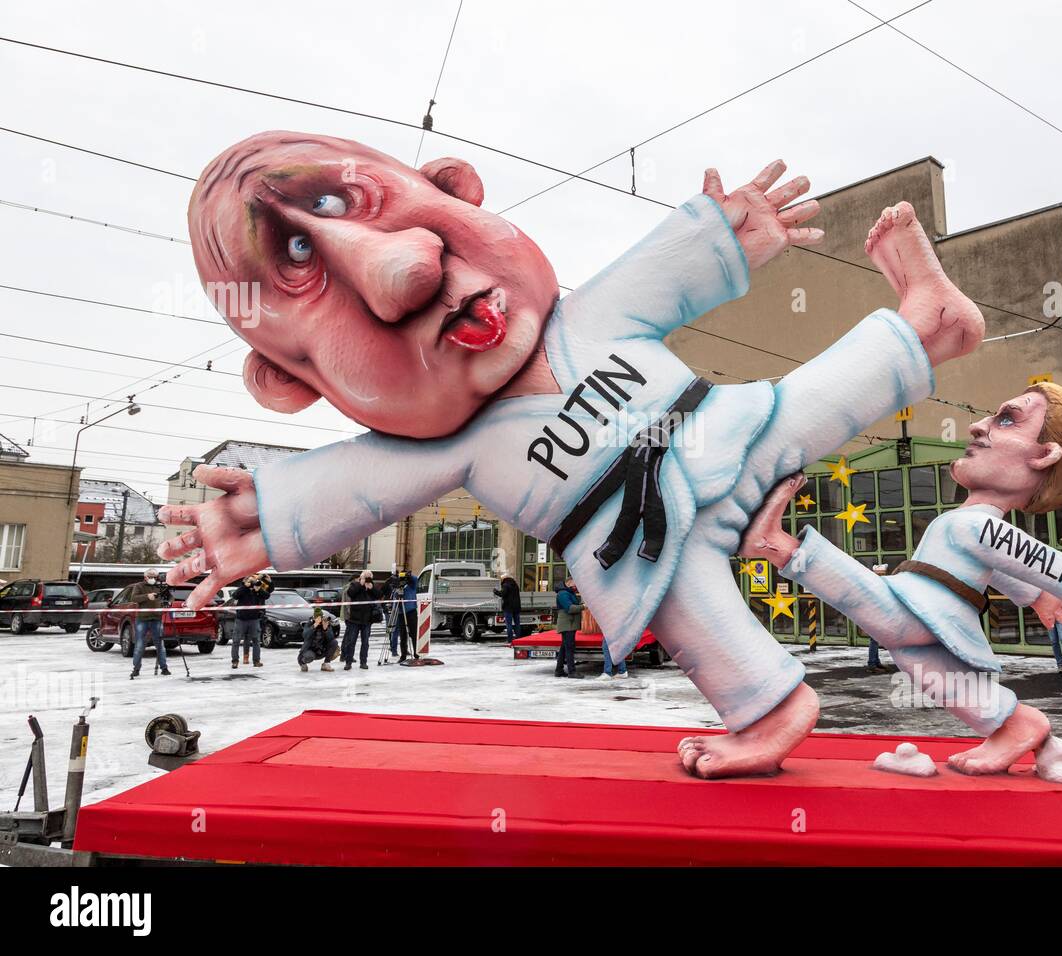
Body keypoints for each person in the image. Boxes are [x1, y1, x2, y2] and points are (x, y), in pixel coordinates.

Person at [163, 134, 987, 781]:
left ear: (455, 190)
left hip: (721, 428)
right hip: (647, 546)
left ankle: (930, 324)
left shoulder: (589, 315)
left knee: (813, 397)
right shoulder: (444, 447)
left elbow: (662, 273)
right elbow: (345, 487)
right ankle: (767, 710)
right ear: (285, 382)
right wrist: (257, 518)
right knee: (692, 615)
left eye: (365, 209)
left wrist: (724, 236)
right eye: (307, 276)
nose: (405, 273)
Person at [737, 381, 1062, 782]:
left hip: (920, 608)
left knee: (881, 612)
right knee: (930, 670)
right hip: (930, 613)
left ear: (1042, 455)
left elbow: (1028, 554)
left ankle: (778, 545)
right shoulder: (971, 523)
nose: (977, 425)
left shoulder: (979, 525)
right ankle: (1017, 725)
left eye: (1007, 419)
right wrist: (1037, 593)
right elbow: (1004, 564)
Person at [119, 568, 170, 679]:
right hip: (142, 618)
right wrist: (147, 596)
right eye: (150, 576)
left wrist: (168, 602)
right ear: (145, 577)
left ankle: (164, 668)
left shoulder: (160, 586)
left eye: (154, 576)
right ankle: (136, 669)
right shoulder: (139, 586)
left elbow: (170, 596)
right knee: (139, 644)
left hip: (157, 618)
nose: (152, 578)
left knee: (160, 644)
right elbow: (134, 598)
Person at [342, 570, 375, 670]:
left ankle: (363, 662)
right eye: (366, 577)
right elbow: (350, 593)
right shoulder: (355, 585)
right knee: (351, 641)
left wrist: (371, 588)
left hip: (367, 620)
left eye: (369, 577)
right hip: (354, 619)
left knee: (365, 642)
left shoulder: (371, 586)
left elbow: (378, 595)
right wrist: (360, 584)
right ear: (361, 577)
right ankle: (348, 662)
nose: (367, 579)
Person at [229, 574, 265, 669]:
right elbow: (235, 596)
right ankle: (235, 661)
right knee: (236, 641)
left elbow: (267, 596)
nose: (252, 582)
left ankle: (256, 661)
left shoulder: (256, 590)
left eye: (253, 581)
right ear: (245, 582)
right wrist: (245, 587)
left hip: (254, 619)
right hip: (241, 619)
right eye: (250, 581)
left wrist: (259, 589)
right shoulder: (242, 589)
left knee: (256, 640)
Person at [554, 576, 582, 678]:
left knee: (564, 647)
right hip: (567, 624)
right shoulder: (563, 593)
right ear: (569, 582)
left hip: (570, 624)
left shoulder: (568, 592)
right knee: (569, 648)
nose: (576, 586)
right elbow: (570, 608)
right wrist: (583, 607)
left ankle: (559, 670)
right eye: (575, 583)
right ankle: (572, 671)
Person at [298, 607, 340, 672]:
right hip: (310, 650)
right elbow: (305, 635)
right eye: (318, 618)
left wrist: (326, 629)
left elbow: (331, 639)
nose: (320, 620)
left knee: (334, 642)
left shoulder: (325, 623)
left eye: (320, 617)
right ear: (314, 618)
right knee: (309, 656)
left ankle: (326, 664)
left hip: (321, 650)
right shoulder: (310, 623)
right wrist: (314, 625)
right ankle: (302, 663)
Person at [494, 573, 522, 642]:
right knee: (517, 623)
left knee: (509, 624)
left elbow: (502, 594)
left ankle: (510, 639)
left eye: (501, 579)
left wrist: (495, 591)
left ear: (504, 579)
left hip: (508, 608)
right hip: (517, 607)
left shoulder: (505, 585)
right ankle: (518, 638)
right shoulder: (515, 585)